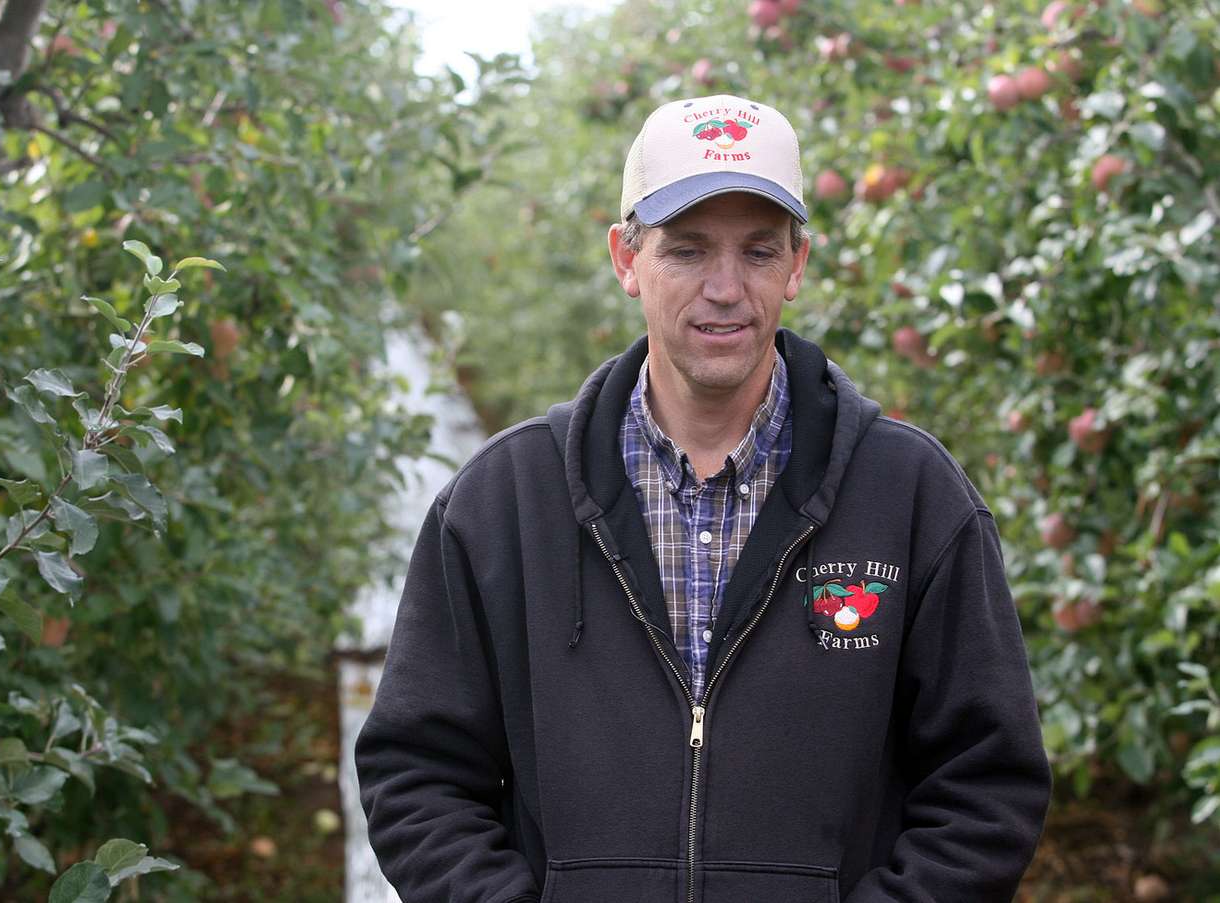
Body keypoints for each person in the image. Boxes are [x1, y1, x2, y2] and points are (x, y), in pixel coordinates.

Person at [355, 92, 1051, 903]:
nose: (725, 287)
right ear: (626, 258)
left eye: (758, 252)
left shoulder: (912, 498)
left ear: (798, 264)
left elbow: (987, 785)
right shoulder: (505, 504)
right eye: (687, 250)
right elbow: (418, 774)